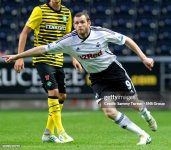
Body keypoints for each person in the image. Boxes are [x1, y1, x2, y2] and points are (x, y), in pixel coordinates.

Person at [3, 12, 157, 145]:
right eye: (76, 23)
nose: (79, 25)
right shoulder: (69, 40)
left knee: (134, 104)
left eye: (82, 22)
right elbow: (43, 49)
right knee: (110, 111)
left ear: (88, 22)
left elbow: (127, 40)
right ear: (74, 25)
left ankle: (146, 115)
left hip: (114, 71)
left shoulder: (101, 33)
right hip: (97, 78)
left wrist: (143, 58)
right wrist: (17, 56)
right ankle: (143, 134)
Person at [13, 0, 82, 143]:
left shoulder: (66, 13)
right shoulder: (39, 10)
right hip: (42, 58)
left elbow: (68, 39)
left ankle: (47, 133)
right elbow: (24, 33)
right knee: (54, 92)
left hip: (58, 60)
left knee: (62, 95)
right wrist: (19, 57)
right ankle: (61, 132)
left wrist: (74, 58)